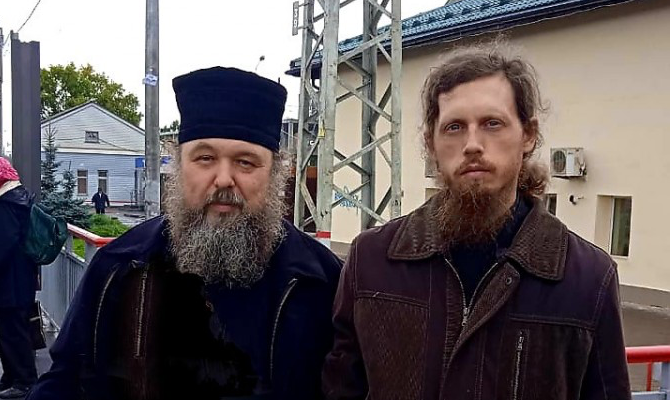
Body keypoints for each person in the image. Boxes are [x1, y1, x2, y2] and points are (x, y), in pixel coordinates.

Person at [322, 41, 631, 400]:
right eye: (454, 127)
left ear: (528, 135)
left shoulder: (587, 277)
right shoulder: (373, 261)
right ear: (431, 143)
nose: (472, 144)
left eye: (492, 123)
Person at [28, 67, 342, 400]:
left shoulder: (322, 281)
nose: (224, 179)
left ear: (276, 173)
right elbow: (65, 382)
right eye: (205, 158)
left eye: (245, 162)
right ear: (179, 166)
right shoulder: (119, 268)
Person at [0, 157, 39, 399]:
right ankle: (12, 376)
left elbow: (4, 244)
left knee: (13, 331)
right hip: (19, 277)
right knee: (11, 330)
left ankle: (25, 381)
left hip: (11, 282)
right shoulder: (19, 198)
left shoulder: (7, 204)